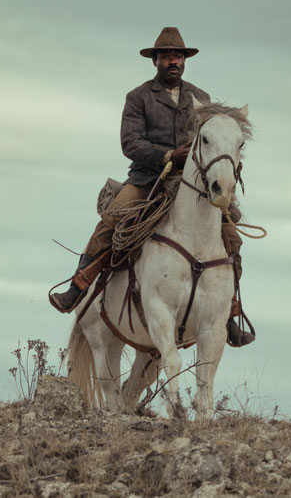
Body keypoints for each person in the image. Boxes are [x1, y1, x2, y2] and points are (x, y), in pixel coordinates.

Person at [50, 27, 255, 347]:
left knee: (232, 239)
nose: (172, 61)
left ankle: (229, 313)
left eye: (177, 56)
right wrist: (168, 155)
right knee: (112, 221)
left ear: (184, 61)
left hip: (191, 183)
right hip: (148, 178)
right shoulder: (139, 97)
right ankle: (78, 287)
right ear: (155, 61)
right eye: (166, 57)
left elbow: (213, 139)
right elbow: (129, 143)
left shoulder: (201, 100)